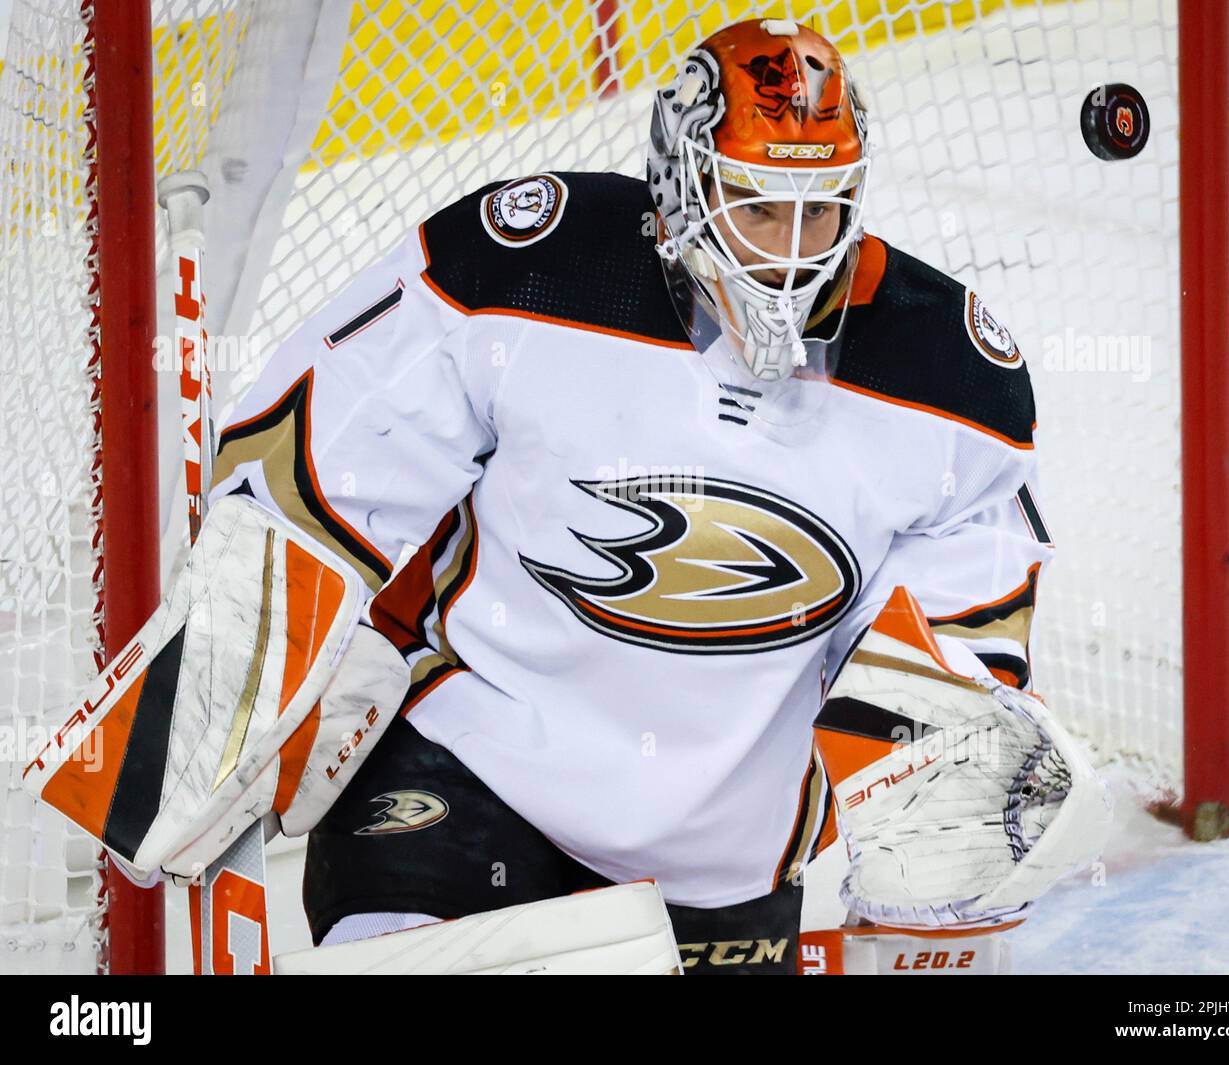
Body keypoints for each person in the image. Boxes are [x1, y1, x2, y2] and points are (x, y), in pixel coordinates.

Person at [207, 18, 1073, 975]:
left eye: (818, 211)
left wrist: (944, 797)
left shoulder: (954, 381)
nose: (789, 255)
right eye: (755, 206)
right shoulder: (531, 269)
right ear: (681, 188)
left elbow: (945, 662)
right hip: (471, 779)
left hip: (720, 863)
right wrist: (274, 651)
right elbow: (325, 448)